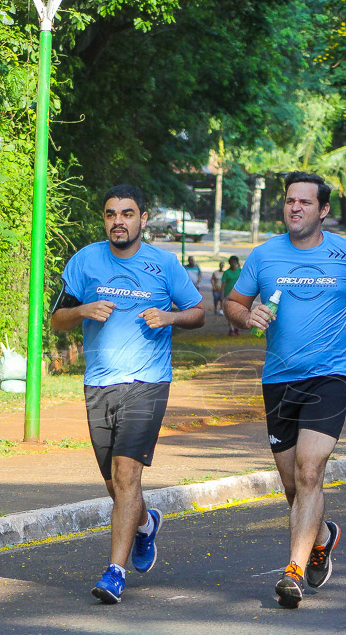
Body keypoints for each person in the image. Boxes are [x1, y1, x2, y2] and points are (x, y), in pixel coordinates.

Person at [224, 171, 346, 608]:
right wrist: (247, 316)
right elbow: (233, 303)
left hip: (330, 374)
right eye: (290, 201)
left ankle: (292, 572)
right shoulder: (264, 255)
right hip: (279, 378)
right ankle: (321, 537)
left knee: (310, 471)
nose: (295, 208)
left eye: (305, 202)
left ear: (324, 210)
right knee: (293, 485)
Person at [50, 184, 205, 605]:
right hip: (99, 382)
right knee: (113, 483)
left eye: (127, 213)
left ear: (143, 219)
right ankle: (144, 524)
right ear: (104, 220)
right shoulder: (85, 261)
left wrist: (169, 316)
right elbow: (56, 320)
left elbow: (198, 312)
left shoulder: (164, 264)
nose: (118, 220)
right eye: (111, 214)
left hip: (148, 381)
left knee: (125, 475)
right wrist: (84, 310)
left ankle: (114, 572)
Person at [221, 255, 242, 335]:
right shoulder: (226, 273)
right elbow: (223, 285)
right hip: (229, 295)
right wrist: (221, 296)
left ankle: (236, 327)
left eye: (235, 263)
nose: (233, 264)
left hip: (239, 295)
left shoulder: (240, 272)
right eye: (231, 263)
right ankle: (231, 328)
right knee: (229, 312)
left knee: (238, 312)